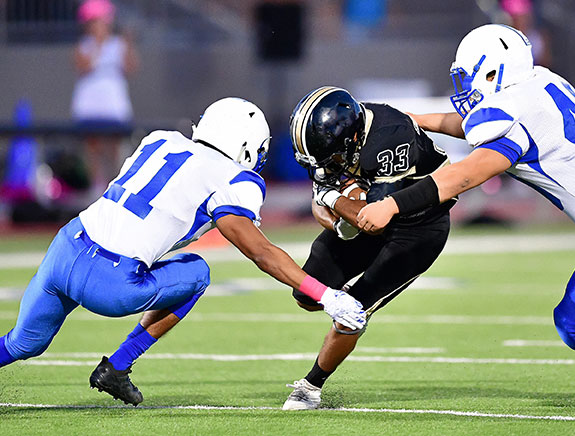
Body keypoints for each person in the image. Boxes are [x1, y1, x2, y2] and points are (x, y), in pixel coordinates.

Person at [357, 24, 575, 407]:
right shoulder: (537, 84)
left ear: (494, 71)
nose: (464, 88)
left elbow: (461, 176)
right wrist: (413, 119)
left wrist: (391, 205)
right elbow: (471, 126)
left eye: (468, 76)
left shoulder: (512, 118)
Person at [0, 97, 366, 406]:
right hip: (110, 283)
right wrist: (324, 294)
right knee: (197, 272)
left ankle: (109, 368)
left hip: (64, 248)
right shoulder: (236, 178)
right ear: (247, 145)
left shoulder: (160, 140)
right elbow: (259, 250)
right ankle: (119, 365)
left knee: (22, 343)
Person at [282, 86, 454, 410]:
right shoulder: (342, 134)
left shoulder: (389, 138)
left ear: (353, 139)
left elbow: (372, 218)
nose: (326, 164)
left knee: (352, 312)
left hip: (419, 227)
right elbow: (322, 203)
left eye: (332, 156)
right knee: (307, 294)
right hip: (373, 212)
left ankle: (310, 387)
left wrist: (332, 198)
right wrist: (334, 217)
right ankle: (346, 296)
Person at [71, 0, 139, 197]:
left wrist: (129, 43)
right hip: (90, 105)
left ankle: (117, 187)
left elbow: (130, 68)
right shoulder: (83, 46)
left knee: (115, 148)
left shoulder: (119, 44)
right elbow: (83, 66)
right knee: (93, 149)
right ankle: (95, 189)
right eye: (93, 22)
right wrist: (98, 46)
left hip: (114, 105)